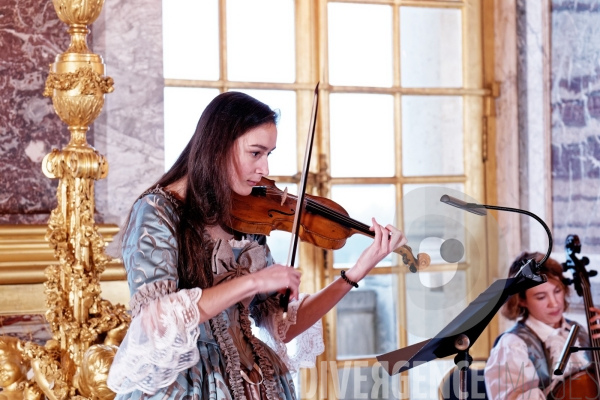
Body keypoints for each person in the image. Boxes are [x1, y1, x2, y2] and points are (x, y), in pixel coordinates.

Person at [106, 91, 407, 399]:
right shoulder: (157, 211)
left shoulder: (247, 219)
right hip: (186, 386)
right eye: (255, 153)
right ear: (218, 146)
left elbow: (284, 327)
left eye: (269, 155)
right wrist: (253, 281)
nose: (264, 169)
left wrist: (357, 271)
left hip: (258, 381)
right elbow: (156, 320)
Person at [484, 252, 600, 399]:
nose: (554, 303)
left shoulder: (581, 332)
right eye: (541, 297)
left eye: (557, 291)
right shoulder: (512, 346)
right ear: (521, 300)